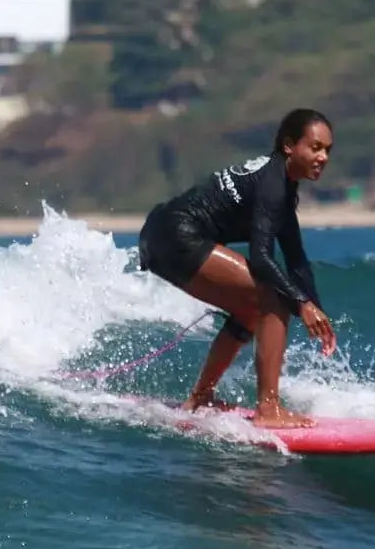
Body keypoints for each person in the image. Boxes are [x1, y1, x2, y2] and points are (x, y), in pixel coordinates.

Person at [137, 109, 337, 428]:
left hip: (160, 234)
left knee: (251, 309)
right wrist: (300, 304)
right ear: (289, 145)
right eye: (315, 147)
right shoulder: (273, 185)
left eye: (327, 149)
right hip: (177, 235)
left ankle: (201, 398)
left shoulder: (281, 188)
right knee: (274, 297)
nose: (323, 156)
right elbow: (260, 258)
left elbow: (296, 259)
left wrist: (318, 312)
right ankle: (268, 409)